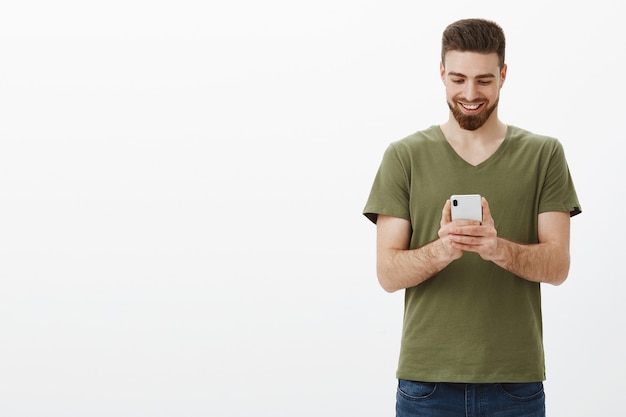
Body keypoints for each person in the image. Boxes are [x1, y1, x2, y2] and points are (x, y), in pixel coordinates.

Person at [362, 18, 581, 417]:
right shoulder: (404, 156)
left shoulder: (544, 154)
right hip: (425, 384)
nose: (469, 93)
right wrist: (444, 250)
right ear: (441, 73)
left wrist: (497, 249)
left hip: (515, 383)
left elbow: (558, 266)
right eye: (458, 78)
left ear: (503, 75)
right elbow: (387, 273)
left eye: (483, 80)